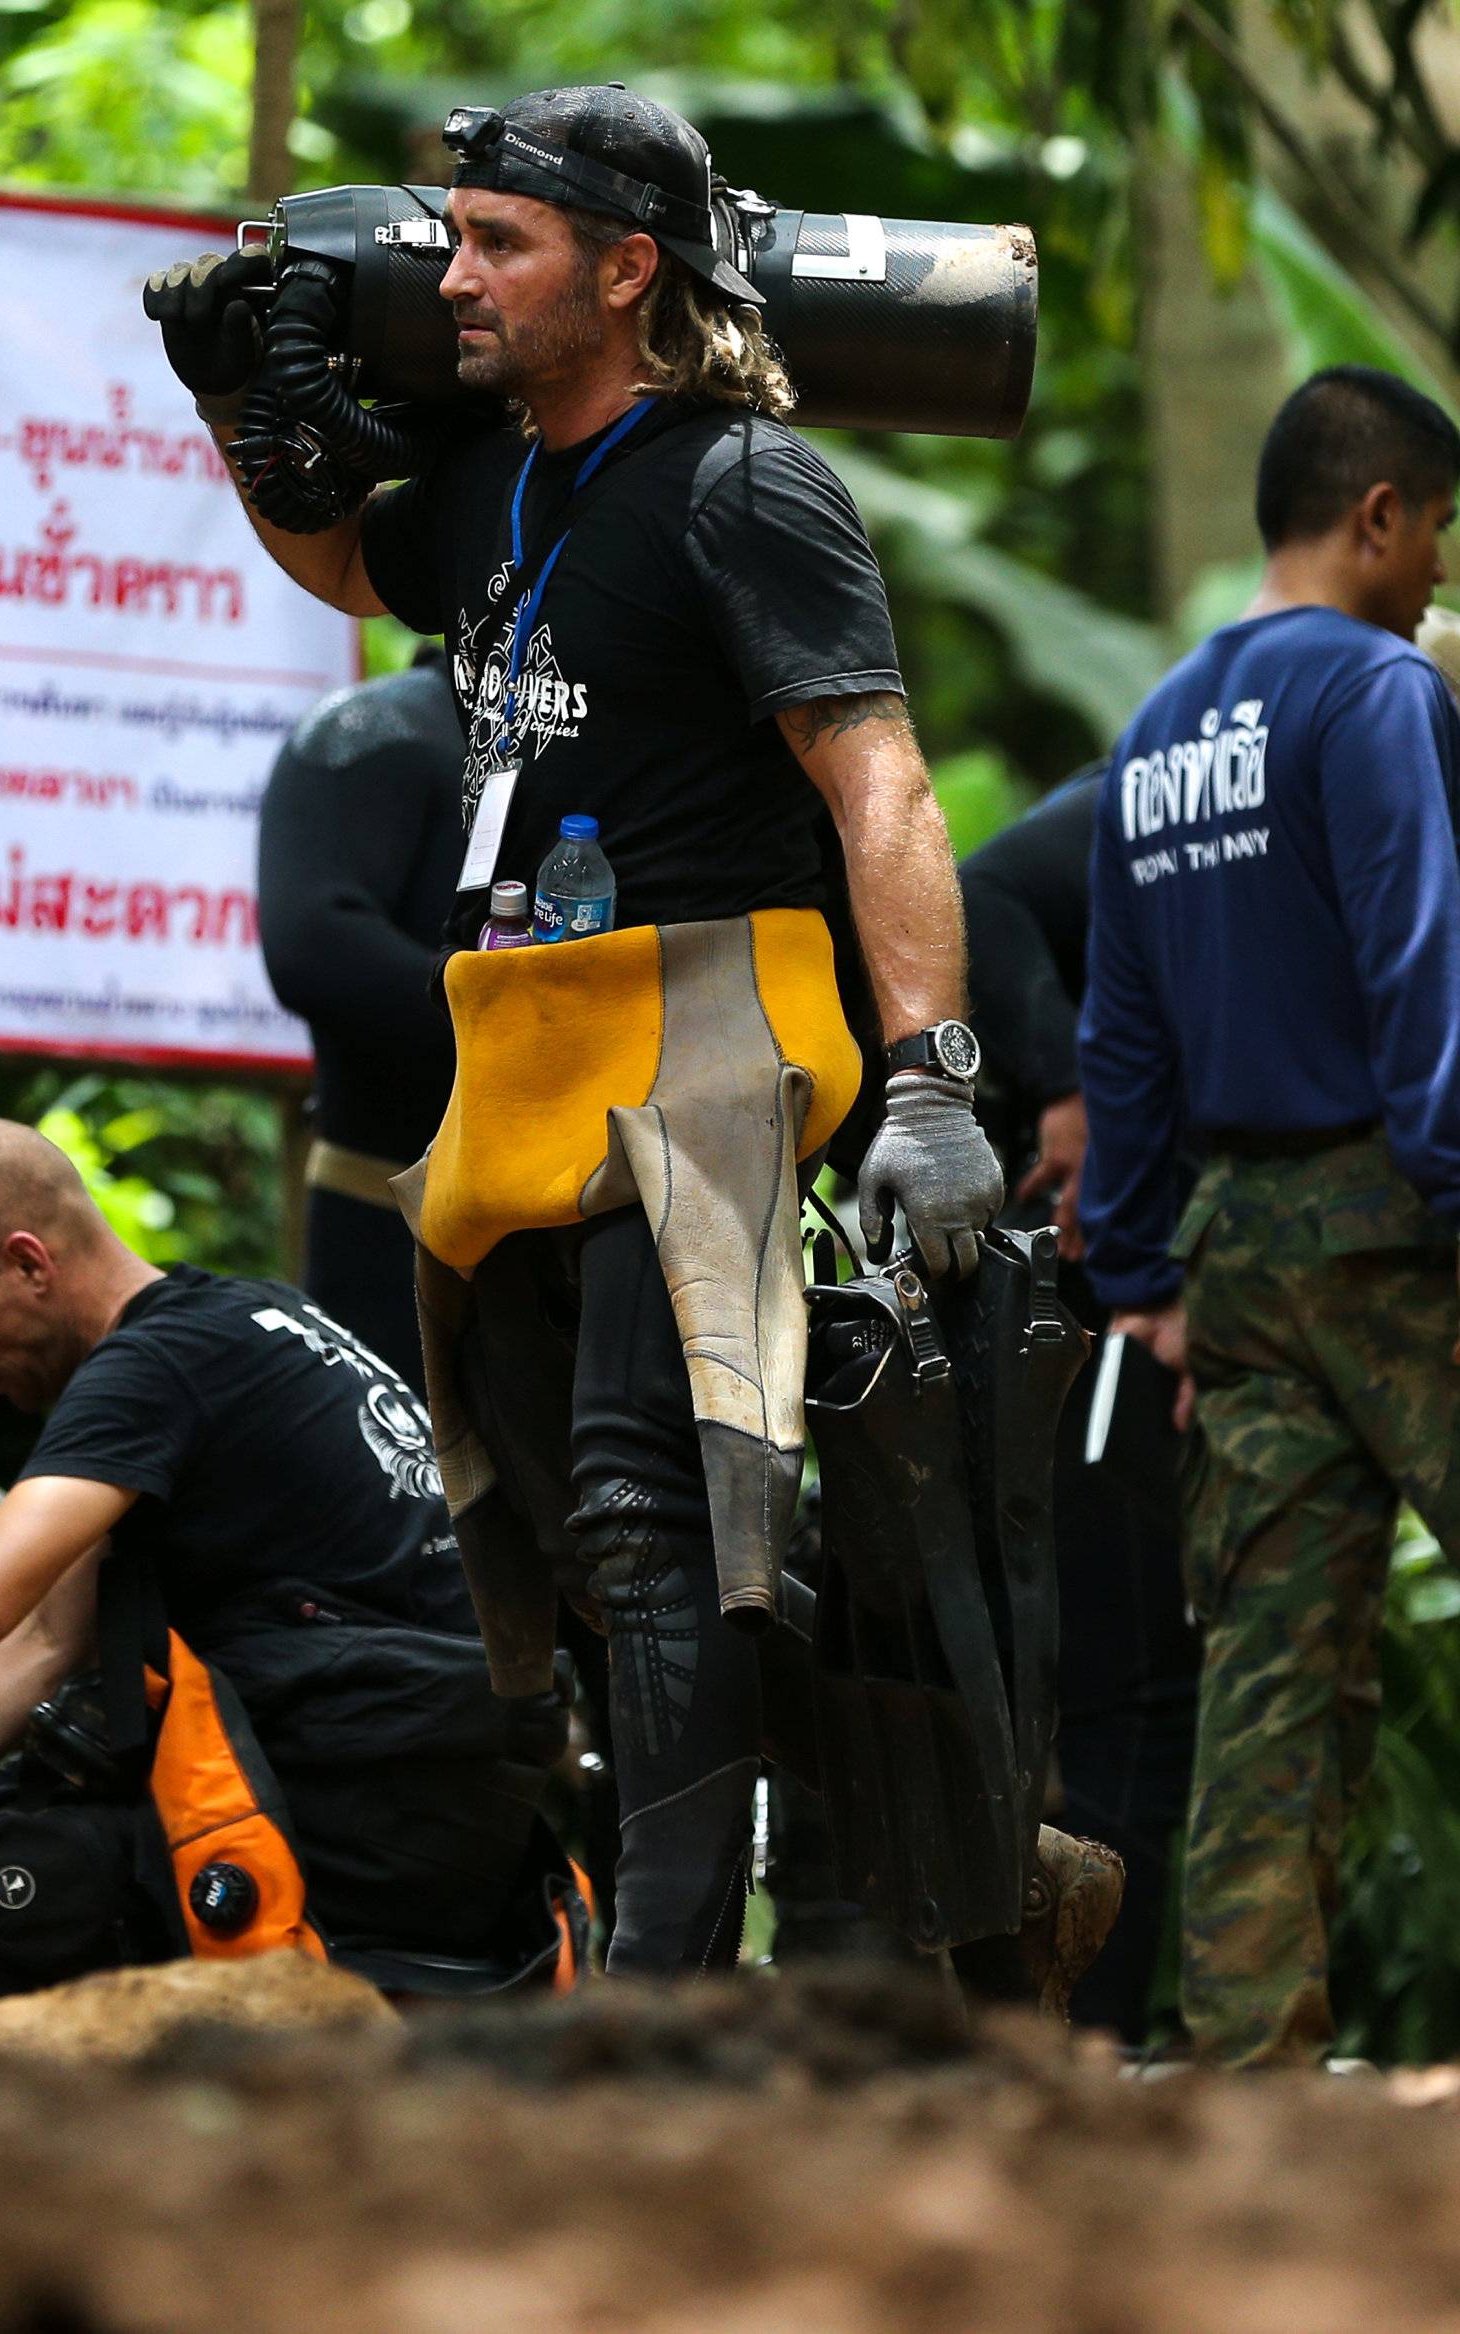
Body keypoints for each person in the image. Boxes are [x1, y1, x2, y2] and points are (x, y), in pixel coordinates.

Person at [148, 84, 1004, 1974]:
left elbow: (882, 783)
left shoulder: (745, 485)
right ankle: (831, 1876)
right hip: (527, 1047)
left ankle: (663, 1975)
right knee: (568, 1529)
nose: (452, 273)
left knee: (638, 1491)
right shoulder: (492, 481)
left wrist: (933, 1078)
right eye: (449, 236)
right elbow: (345, 564)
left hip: (714, 1019)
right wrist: (239, 415)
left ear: (628, 270)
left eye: (498, 243)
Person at [0, 1120, 572, 2004]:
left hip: (353, 1807)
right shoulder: (256, 1321)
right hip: (452, 1816)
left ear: (29, 1264)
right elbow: (42, 1644)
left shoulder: (156, 1365)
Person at [1078, 365, 1460, 2067]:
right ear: (1377, 513)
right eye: (1438, 529)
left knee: (1272, 1677)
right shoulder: (1378, 691)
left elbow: (1121, 1035)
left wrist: (1145, 1264)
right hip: (1401, 1213)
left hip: (1236, 1254)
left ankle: (1247, 2075)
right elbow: (1420, 953)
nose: (1439, 570)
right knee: (1283, 1666)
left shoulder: (1157, 734)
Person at [960, 775, 1201, 2043]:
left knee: (1144, 1688)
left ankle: (1097, 2034)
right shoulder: (1181, 786)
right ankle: (1083, 2043)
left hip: (1159, 1302)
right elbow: (981, 891)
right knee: (1121, 1687)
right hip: (1077, 1305)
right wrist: (1066, 1087)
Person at [258, 649, 463, 1388]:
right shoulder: (381, 730)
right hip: (388, 1233)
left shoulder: (617, 750)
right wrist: (529, 1022)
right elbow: (314, 943)